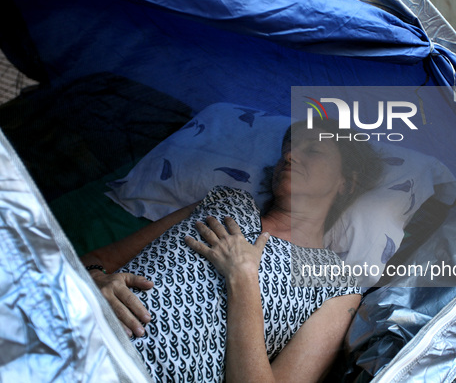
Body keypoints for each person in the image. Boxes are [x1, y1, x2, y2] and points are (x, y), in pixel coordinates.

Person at [81, 120, 382, 382]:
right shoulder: (224, 203)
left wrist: (244, 279)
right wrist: (95, 281)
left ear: (347, 181)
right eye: (287, 149)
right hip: (74, 330)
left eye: (313, 150)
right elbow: (97, 260)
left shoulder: (336, 285)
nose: (289, 156)